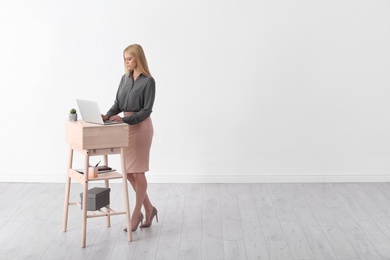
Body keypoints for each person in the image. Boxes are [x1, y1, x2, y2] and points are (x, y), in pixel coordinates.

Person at [103, 44, 158, 232]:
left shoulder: (148, 82)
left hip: (141, 128)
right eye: (125, 59)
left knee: (139, 172)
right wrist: (107, 115)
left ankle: (137, 214)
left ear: (138, 58)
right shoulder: (124, 79)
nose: (126, 62)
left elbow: (146, 111)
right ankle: (149, 209)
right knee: (128, 173)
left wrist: (125, 119)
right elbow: (118, 103)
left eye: (129, 58)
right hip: (126, 127)